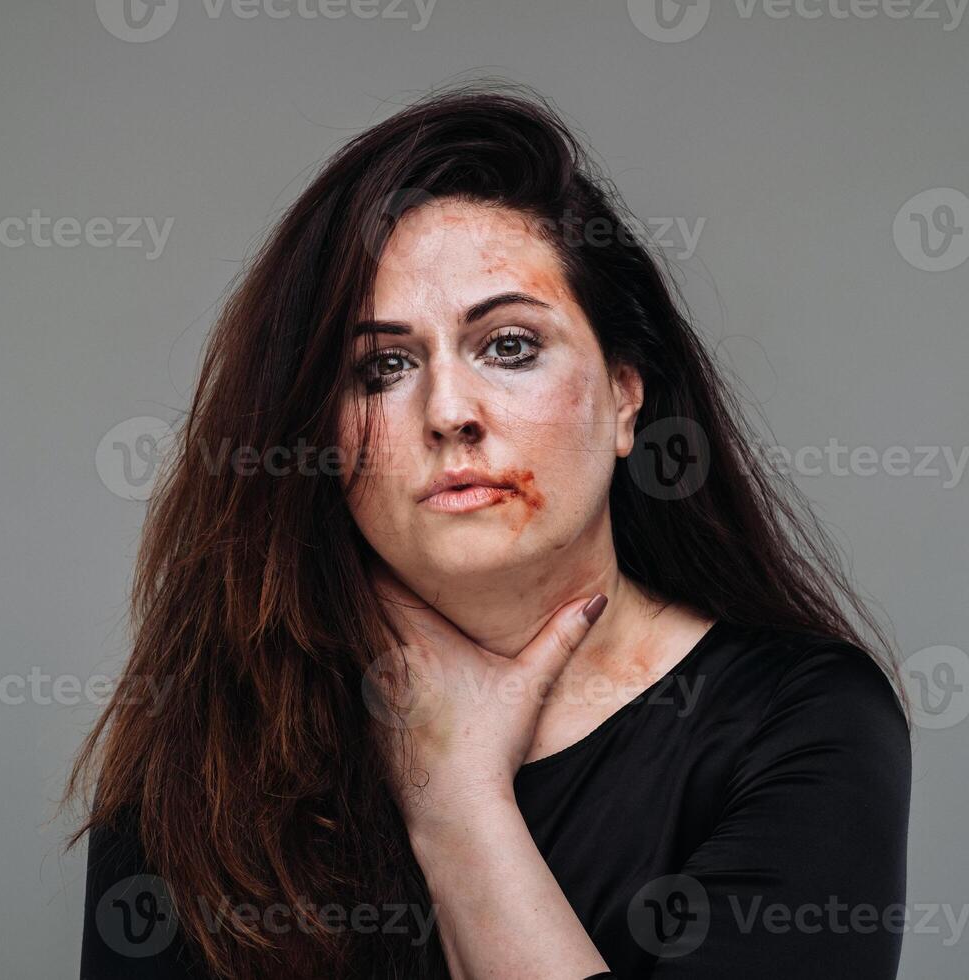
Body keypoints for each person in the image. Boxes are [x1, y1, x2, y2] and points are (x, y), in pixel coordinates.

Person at [68, 82, 912, 979]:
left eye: (509, 345)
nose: (449, 411)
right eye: (383, 366)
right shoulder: (207, 748)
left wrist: (460, 805)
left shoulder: (799, 722)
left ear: (626, 396)